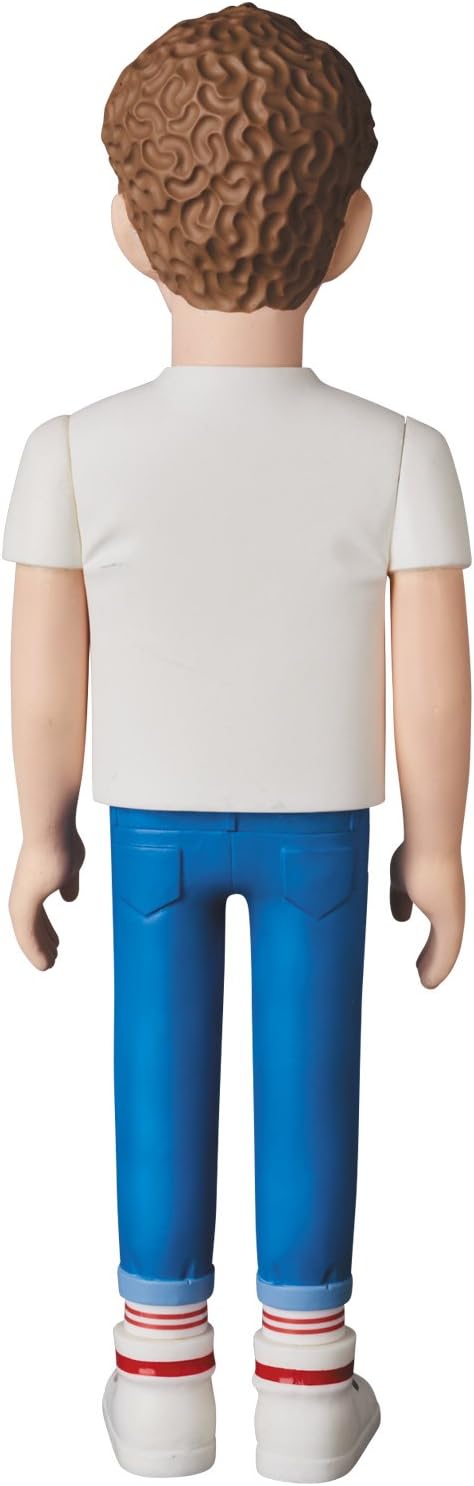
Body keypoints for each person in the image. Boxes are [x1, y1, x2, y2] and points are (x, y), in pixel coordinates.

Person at [2, 4, 471, 1480]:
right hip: (321, 827)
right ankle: (307, 1387)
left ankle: (158, 1383)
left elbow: (46, 673)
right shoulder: (402, 453)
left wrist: (41, 827)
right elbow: (434, 677)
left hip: (148, 823)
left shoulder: (69, 452)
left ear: (126, 233)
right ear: (352, 234)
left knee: (153, 1076)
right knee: (314, 1082)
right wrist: (438, 845)